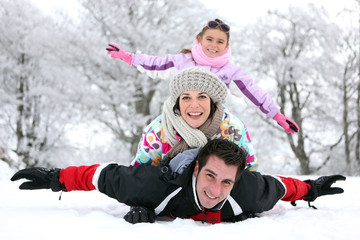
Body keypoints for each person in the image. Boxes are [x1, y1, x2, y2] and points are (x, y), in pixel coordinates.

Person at [11, 139, 345, 224]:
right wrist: (55, 178)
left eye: (226, 182)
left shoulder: (250, 192)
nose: (216, 191)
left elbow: (285, 186)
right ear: (197, 168)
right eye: (210, 175)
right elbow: (102, 175)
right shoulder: (153, 185)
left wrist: (312, 188)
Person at [106, 19, 299, 134]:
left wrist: (277, 115)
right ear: (200, 40)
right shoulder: (183, 60)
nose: (213, 45)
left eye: (220, 41)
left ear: (227, 46)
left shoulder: (230, 71)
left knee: (237, 133)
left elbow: (253, 93)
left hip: (212, 121)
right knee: (153, 133)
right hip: (180, 117)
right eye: (209, 39)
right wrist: (129, 57)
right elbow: (156, 64)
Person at [130, 66, 258, 172]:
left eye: (202, 97)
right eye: (186, 98)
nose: (194, 105)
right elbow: (138, 178)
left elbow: (250, 175)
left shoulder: (233, 130)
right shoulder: (158, 132)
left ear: (211, 102)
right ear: (178, 103)